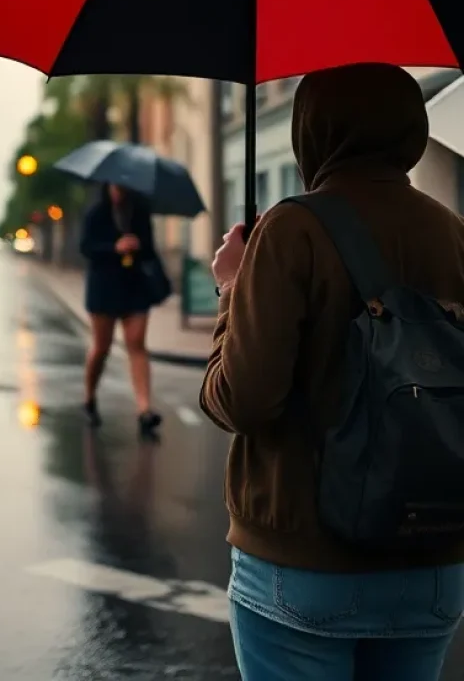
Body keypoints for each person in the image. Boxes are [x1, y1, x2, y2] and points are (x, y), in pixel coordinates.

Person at [201, 64, 464, 681]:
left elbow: (242, 399)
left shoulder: (292, 229)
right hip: (434, 561)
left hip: (306, 559)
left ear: (310, 131)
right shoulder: (454, 234)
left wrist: (232, 291)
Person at [80, 183, 169, 433]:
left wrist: (137, 244)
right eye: (114, 186)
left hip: (135, 288)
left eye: (123, 187)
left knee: (137, 344)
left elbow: (151, 250)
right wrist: (114, 247)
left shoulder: (139, 213)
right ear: (108, 187)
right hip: (104, 289)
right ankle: (89, 398)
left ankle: (144, 410)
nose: (118, 191)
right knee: (101, 347)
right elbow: (86, 247)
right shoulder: (96, 213)